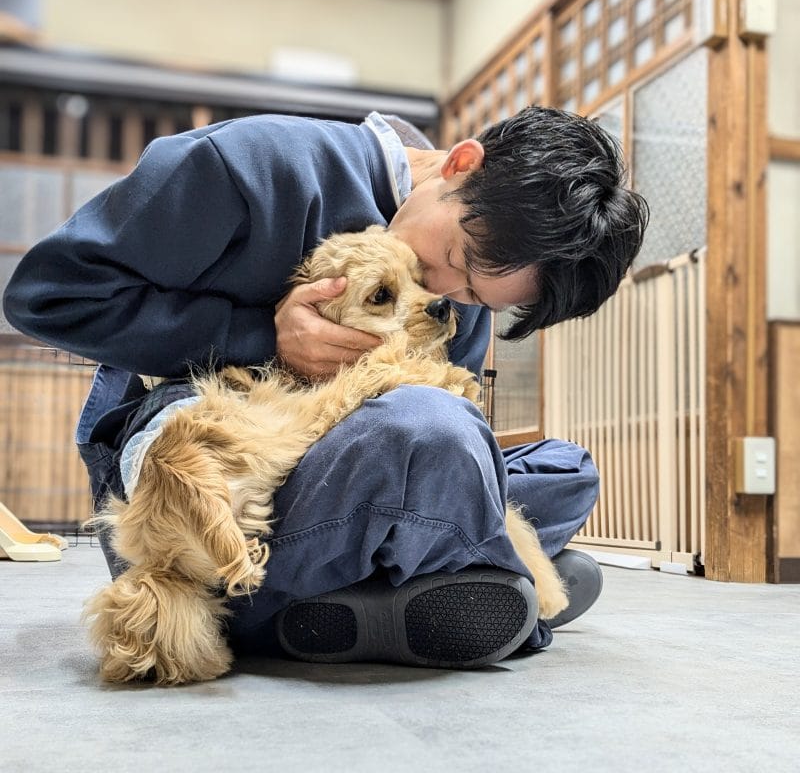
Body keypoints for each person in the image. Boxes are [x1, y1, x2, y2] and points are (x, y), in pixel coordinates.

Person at [3, 105, 648, 668]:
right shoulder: (251, 167)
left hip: (352, 475)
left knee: (568, 470)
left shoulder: (457, 294)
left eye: (478, 296)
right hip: (211, 500)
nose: (449, 296)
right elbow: (47, 295)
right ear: (461, 165)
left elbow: (450, 421)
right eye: (454, 261)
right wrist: (261, 336)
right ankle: (453, 583)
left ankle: (359, 606)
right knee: (430, 432)